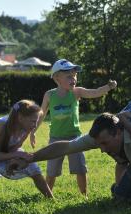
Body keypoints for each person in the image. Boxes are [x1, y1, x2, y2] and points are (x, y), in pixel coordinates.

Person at [11, 112, 131, 213]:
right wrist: (31, 157)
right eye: (98, 144)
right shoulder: (101, 136)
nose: (102, 149)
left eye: (105, 143)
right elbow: (66, 147)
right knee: (120, 199)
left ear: (119, 132)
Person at [31, 59, 117, 197]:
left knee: (80, 169)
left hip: (74, 137)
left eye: (75, 76)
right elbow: (41, 114)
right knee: (52, 170)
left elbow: (94, 92)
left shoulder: (77, 92)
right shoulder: (49, 95)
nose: (74, 79)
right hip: (55, 138)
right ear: (57, 78)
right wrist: (33, 131)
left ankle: (84, 195)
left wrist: (108, 87)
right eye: (69, 76)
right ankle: (47, 195)